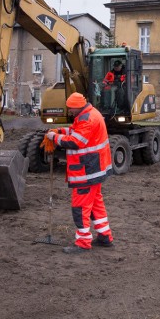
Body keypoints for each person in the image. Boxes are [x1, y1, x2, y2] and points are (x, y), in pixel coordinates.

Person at [46, 92, 115, 253]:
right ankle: (105, 236)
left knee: (80, 207)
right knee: (96, 204)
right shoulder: (89, 114)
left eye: (70, 109)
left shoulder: (87, 119)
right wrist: (60, 131)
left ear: (77, 107)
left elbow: (76, 142)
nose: (69, 111)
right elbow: (76, 131)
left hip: (87, 171)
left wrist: (54, 137)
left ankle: (83, 242)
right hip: (95, 170)